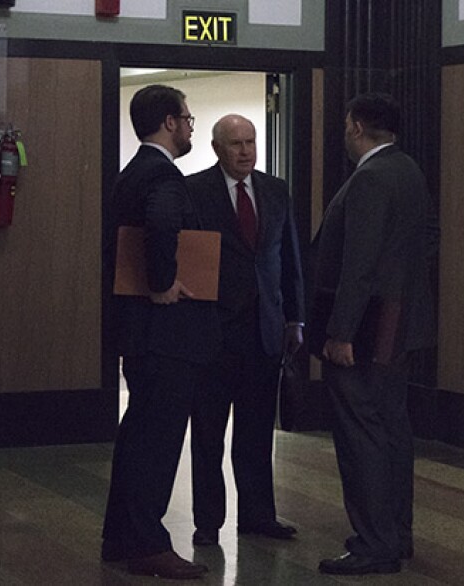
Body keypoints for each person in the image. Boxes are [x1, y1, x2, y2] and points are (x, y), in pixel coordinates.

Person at [310, 92, 436, 576]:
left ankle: (373, 543)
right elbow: (427, 239)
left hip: (364, 329)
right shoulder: (408, 171)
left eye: (347, 125)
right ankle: (396, 533)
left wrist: (340, 332)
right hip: (398, 324)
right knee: (391, 428)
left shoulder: (370, 177)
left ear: (357, 127)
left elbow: (357, 264)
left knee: (361, 432)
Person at [101, 84, 220, 579]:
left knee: (137, 436)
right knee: (158, 439)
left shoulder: (131, 172)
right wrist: (163, 283)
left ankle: (120, 536)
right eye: (188, 120)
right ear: (169, 123)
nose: (190, 127)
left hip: (139, 335)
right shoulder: (164, 175)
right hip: (167, 334)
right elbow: (162, 223)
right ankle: (148, 542)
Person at [185, 114, 305, 546]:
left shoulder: (275, 190)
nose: (245, 151)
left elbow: (288, 258)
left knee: (256, 433)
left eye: (250, 141)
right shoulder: (195, 190)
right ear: (217, 148)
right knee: (208, 434)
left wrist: (295, 317)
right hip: (214, 333)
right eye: (235, 143)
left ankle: (258, 515)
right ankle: (207, 520)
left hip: (264, 332)